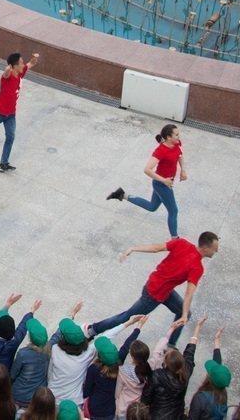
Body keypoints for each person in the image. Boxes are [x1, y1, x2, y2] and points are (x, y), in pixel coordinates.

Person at [88, 231, 220, 347]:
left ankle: (170, 346)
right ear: (205, 248)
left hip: (159, 287)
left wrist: (133, 248)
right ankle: (93, 329)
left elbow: (156, 248)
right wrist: (184, 315)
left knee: (183, 313)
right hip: (154, 295)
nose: (216, 251)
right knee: (127, 317)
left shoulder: (182, 243)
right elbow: (189, 294)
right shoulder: (197, 267)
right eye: (215, 249)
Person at [106, 124, 186, 237]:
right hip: (161, 185)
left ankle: (122, 194)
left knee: (152, 207)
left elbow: (180, 154)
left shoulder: (176, 143)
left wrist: (183, 170)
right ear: (169, 137)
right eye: (176, 135)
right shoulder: (161, 151)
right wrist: (164, 181)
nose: (179, 137)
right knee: (173, 211)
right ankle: (175, 239)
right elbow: (147, 170)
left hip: (164, 183)